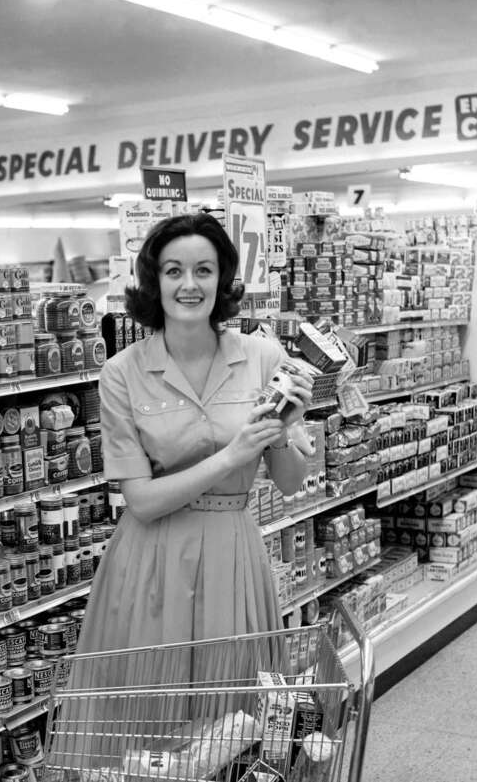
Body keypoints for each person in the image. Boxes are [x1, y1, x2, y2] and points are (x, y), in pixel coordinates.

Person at [49, 212, 315, 774]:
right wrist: (233, 454)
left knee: (234, 720)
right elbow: (140, 500)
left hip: (232, 556)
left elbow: (290, 484)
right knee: (149, 721)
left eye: (203, 270)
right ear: (154, 281)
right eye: (173, 271)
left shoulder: (263, 358)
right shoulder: (122, 372)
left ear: (223, 281)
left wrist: (288, 427)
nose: (188, 284)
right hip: (151, 560)